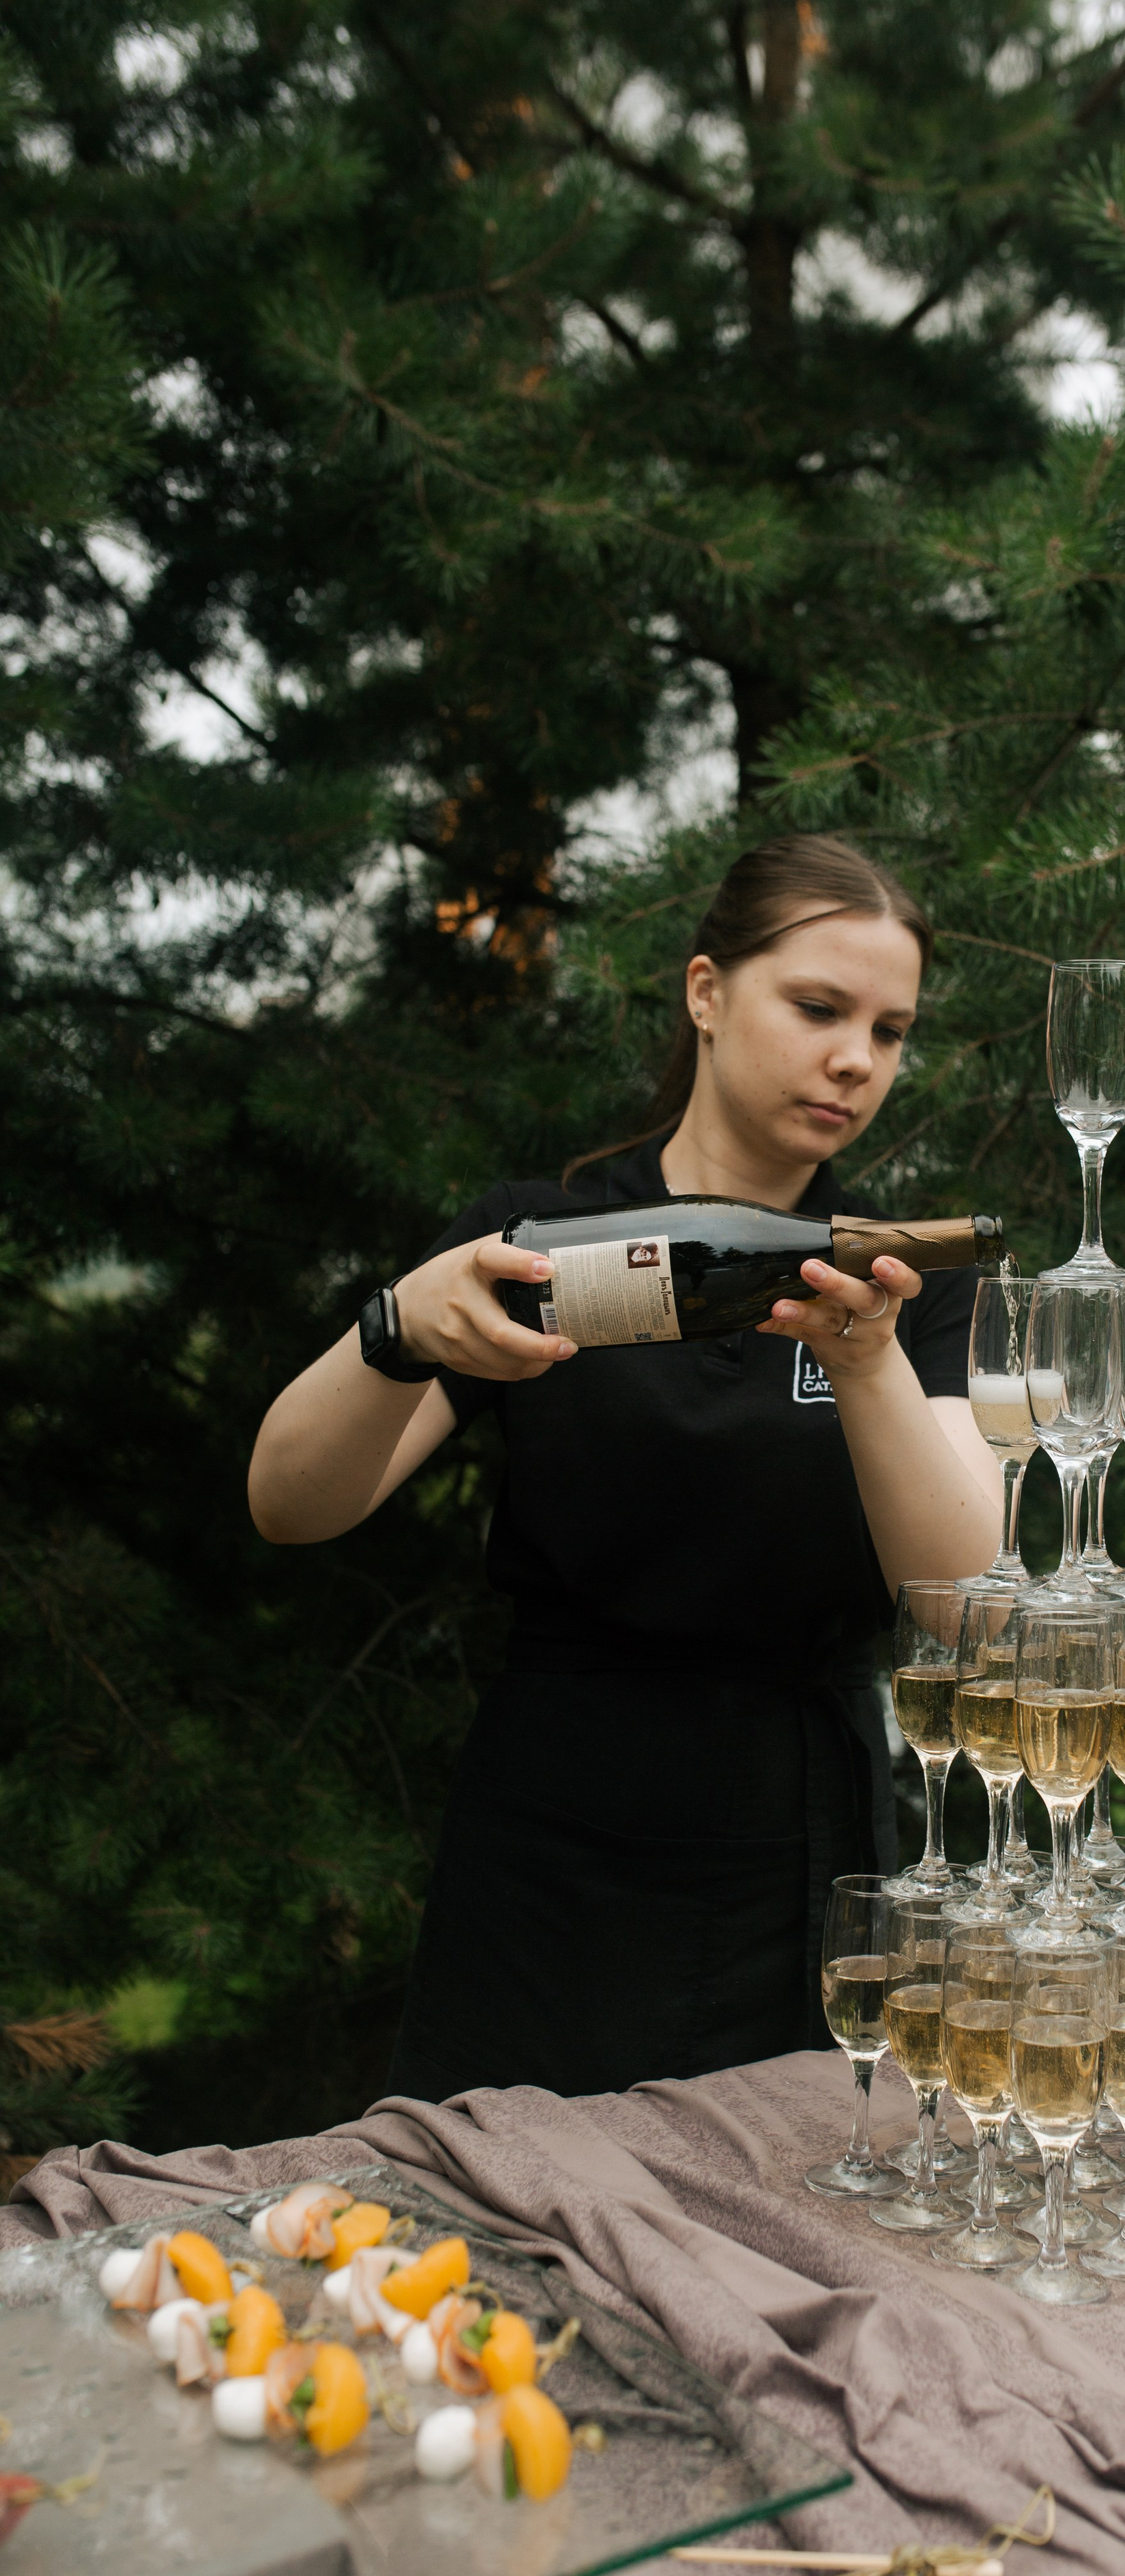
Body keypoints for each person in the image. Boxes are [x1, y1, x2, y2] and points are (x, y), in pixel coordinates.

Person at [248, 836, 1001, 2101]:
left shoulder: (911, 1286)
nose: (856, 1058)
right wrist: (396, 1328)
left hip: (805, 1850)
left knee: (785, 2238)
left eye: (891, 1027)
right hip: (556, 1851)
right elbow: (290, 1503)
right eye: (818, 1007)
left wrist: (866, 1360)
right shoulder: (542, 1243)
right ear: (707, 992)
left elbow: (964, 1601)